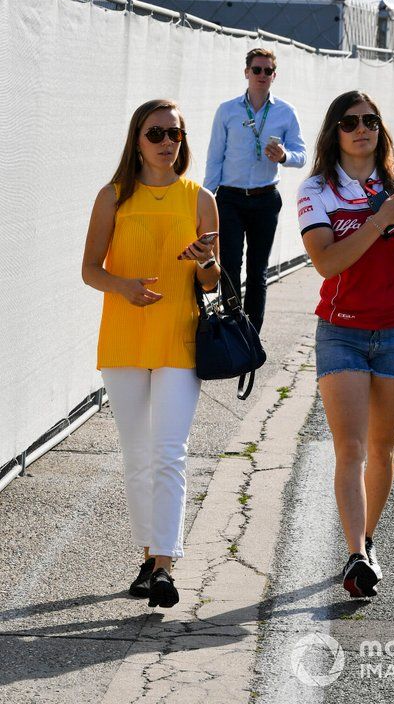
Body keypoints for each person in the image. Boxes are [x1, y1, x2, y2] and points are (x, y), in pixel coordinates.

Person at [297, 91, 394, 598]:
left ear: (380, 129)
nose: (361, 129)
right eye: (349, 122)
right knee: (350, 447)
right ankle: (356, 555)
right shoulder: (316, 189)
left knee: (382, 448)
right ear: (334, 132)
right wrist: (379, 221)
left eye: (369, 120)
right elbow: (327, 262)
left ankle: (366, 540)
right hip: (340, 331)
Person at [82, 99, 220, 608]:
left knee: (169, 452)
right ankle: (148, 556)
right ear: (137, 141)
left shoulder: (200, 198)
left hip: (178, 338)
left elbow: (212, 281)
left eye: (174, 134)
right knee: (137, 455)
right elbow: (90, 269)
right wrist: (123, 286)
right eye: (156, 133)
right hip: (123, 338)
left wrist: (206, 261)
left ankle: (164, 565)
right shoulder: (113, 196)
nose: (167, 143)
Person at [203, 47, 306, 333]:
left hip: (265, 198)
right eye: (257, 70)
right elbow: (215, 157)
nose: (262, 75)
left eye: (268, 71)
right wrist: (206, 198)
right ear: (246, 72)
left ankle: (252, 335)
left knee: (258, 271)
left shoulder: (285, 111)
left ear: (274, 75)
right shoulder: (227, 110)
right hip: (230, 198)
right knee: (230, 265)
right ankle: (233, 329)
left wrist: (284, 156)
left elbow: (301, 155)